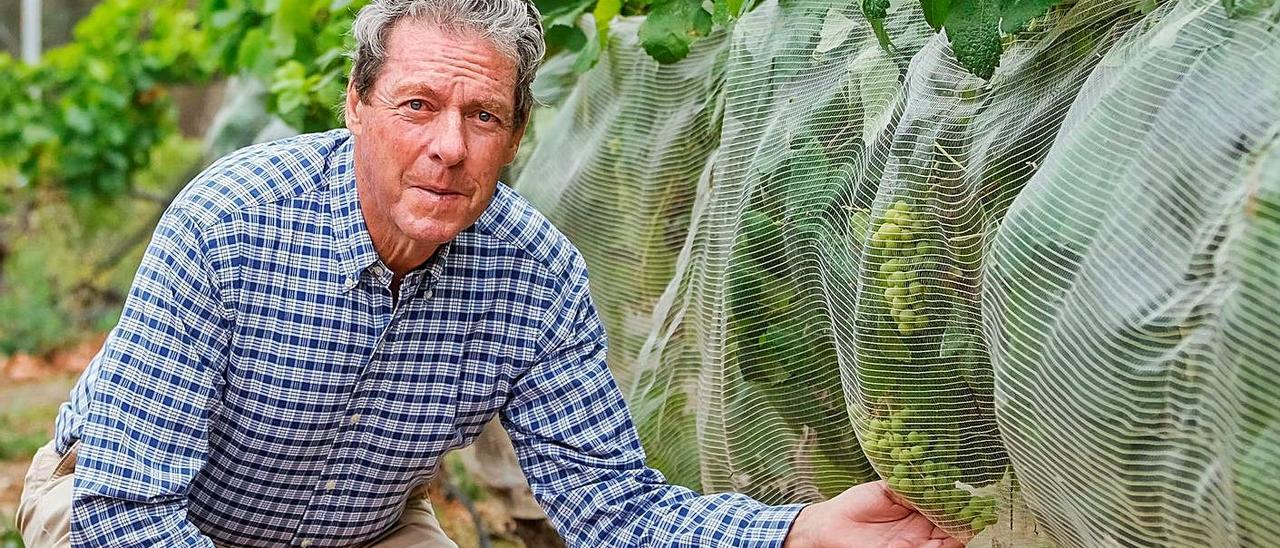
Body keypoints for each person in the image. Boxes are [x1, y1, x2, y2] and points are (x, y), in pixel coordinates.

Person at [15, 1, 964, 547]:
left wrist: (796, 536)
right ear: (356, 107)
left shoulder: (535, 277)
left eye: (483, 117)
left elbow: (615, 508)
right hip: (121, 508)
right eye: (418, 105)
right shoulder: (232, 222)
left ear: (515, 135)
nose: (447, 148)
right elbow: (129, 507)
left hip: (361, 532)